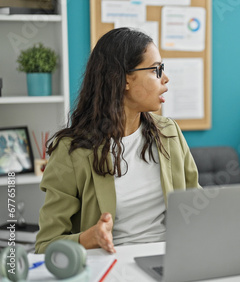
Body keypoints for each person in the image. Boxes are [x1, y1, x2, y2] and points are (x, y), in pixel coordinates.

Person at [35, 28, 201, 254]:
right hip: (111, 265)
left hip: (173, 259)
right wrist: (88, 238)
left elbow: (198, 205)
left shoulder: (169, 133)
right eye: (156, 70)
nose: (165, 77)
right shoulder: (71, 151)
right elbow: (46, 246)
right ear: (123, 79)